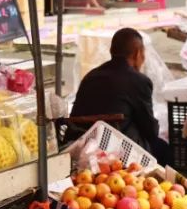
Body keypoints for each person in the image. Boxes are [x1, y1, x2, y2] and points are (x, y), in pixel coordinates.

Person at [71, 28, 171, 162]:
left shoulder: (91, 76)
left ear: (111, 51)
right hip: (119, 154)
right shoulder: (139, 81)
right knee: (164, 149)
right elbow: (150, 130)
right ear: (137, 53)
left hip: (84, 146)